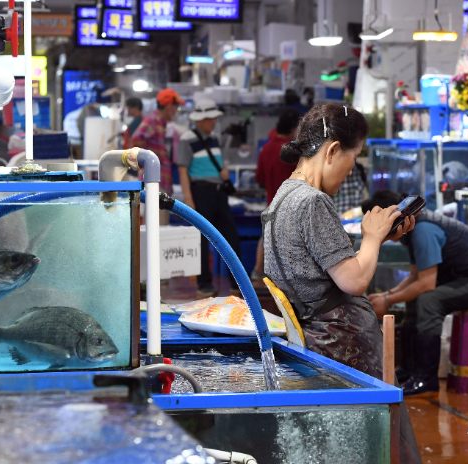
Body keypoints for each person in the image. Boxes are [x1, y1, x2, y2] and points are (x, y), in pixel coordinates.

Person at [262, 102, 421, 463]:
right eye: (354, 157)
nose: (351, 170)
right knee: (372, 442)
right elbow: (354, 281)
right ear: (333, 150)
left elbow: (323, 265)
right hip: (343, 344)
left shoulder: (283, 196)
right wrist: (369, 235)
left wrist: (381, 238)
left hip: (320, 342)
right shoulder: (313, 202)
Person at [365, 190, 468, 397]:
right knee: (415, 298)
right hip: (466, 279)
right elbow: (416, 276)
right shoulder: (412, 229)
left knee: (428, 300)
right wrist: (386, 296)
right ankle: (409, 371)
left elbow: (426, 284)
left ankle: (426, 378)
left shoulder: (423, 230)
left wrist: (387, 300)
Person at [177, 99, 241, 298]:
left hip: (219, 192)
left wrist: (224, 172)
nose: (213, 122)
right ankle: (204, 284)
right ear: (200, 119)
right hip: (200, 192)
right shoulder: (186, 139)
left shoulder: (214, 137)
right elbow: (183, 169)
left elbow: (218, 161)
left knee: (231, 237)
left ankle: (236, 282)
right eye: (209, 118)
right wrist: (188, 199)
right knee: (201, 241)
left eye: (214, 118)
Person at [251, 107, 302, 281]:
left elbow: (259, 178)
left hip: (271, 201)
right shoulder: (291, 151)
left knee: (267, 235)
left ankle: (258, 271)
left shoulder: (266, 148)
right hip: (290, 204)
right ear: (293, 129)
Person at [131, 89, 185, 225]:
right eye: (175, 106)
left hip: (160, 182)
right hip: (154, 182)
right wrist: (146, 161)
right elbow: (137, 137)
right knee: (156, 228)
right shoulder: (153, 120)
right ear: (168, 107)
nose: (176, 110)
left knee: (159, 226)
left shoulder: (161, 123)